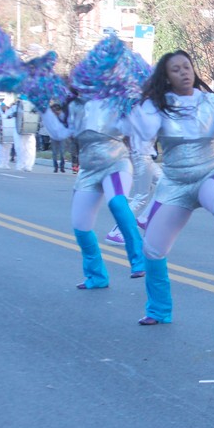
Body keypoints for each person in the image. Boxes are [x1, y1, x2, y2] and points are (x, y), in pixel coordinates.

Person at [131, 50, 214, 325]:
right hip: (174, 182)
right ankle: (158, 310)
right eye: (175, 69)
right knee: (152, 249)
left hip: (212, 171)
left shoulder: (212, 102)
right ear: (166, 76)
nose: (183, 72)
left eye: (187, 67)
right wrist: (133, 112)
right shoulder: (155, 105)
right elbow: (143, 139)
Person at [41, 93, 146, 290]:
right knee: (80, 226)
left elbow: (131, 129)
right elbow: (58, 133)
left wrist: (133, 109)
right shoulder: (75, 107)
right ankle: (96, 276)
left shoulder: (116, 101)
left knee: (116, 202)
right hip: (88, 171)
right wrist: (42, 107)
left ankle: (139, 258)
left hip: (116, 163)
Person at [10, 95, 39, 172]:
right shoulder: (15, 107)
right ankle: (20, 165)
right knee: (20, 148)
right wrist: (13, 114)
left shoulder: (33, 106)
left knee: (30, 149)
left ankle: (28, 166)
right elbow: (7, 116)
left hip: (29, 131)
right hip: (18, 130)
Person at [0, 102, 15, 169]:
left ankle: (6, 163)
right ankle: (1, 162)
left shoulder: (9, 113)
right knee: (1, 149)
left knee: (8, 149)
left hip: (8, 133)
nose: (4, 107)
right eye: (3, 106)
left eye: (5, 106)